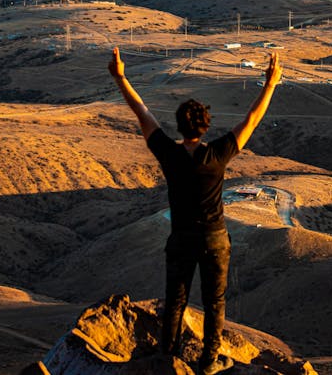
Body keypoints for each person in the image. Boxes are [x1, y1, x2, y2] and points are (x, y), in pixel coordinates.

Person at [109, 47, 282, 375]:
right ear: (205, 126)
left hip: (181, 238)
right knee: (215, 302)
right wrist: (270, 84)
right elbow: (252, 119)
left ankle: (166, 356)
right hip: (215, 238)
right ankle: (209, 361)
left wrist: (120, 77)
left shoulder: (168, 154)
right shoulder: (218, 153)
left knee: (176, 299)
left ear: (178, 126)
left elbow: (141, 111)